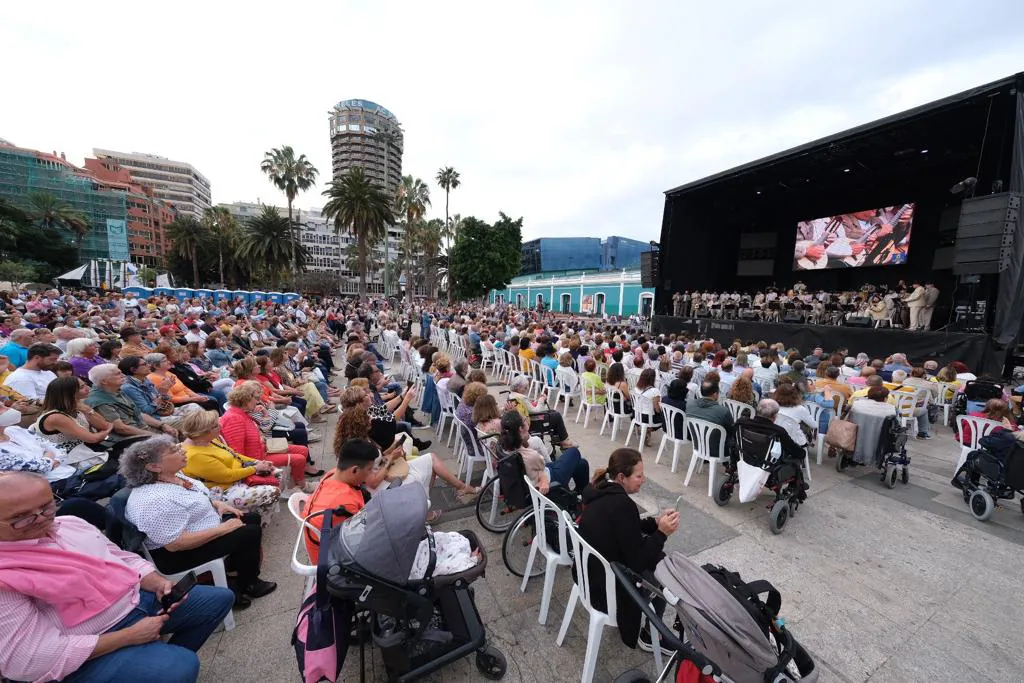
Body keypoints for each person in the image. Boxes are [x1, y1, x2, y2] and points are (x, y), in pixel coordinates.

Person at [0, 470, 234, 683]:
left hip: (134, 603)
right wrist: (129, 637)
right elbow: (27, 659)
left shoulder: (69, 524)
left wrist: (157, 582)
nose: (41, 519)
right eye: (22, 518)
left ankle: (153, 664)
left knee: (219, 601)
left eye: (47, 507)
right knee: (181, 667)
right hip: (89, 643)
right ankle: (158, 665)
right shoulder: (5, 576)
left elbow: (121, 557)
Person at [119, 437, 276, 609]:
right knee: (249, 533)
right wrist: (223, 529)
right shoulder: (154, 501)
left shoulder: (171, 476)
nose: (183, 451)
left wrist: (217, 504)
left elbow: (195, 496)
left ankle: (235, 572)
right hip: (178, 554)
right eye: (174, 451)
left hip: (196, 531)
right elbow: (175, 544)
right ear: (154, 466)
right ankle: (249, 583)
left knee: (251, 519)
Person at [576, 448, 679, 651]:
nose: (643, 480)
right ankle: (651, 636)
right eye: (639, 476)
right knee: (663, 567)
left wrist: (655, 523)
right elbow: (639, 561)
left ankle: (652, 632)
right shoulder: (622, 504)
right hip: (607, 591)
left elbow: (625, 526)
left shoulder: (599, 491)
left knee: (658, 558)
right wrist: (662, 533)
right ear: (622, 477)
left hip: (588, 576)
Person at [177, 409, 282, 522]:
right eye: (216, 426)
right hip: (222, 490)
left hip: (235, 476)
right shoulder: (195, 455)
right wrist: (255, 468)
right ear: (203, 432)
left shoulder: (207, 440)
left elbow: (233, 455)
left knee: (276, 473)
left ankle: (253, 517)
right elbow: (227, 476)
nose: (220, 425)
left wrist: (257, 462)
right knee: (273, 492)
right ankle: (255, 523)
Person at [219, 382, 315, 494]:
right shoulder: (233, 419)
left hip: (263, 449)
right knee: (299, 459)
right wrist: (258, 464)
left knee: (303, 450)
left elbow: (263, 428)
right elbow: (237, 453)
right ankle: (300, 486)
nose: (257, 401)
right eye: (255, 398)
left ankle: (294, 484)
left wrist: (261, 433)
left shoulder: (243, 413)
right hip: (258, 458)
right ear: (245, 399)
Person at [304, 438, 381, 564]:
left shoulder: (332, 474)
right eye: (370, 469)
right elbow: (362, 540)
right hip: (331, 564)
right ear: (355, 470)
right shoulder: (345, 504)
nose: (372, 473)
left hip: (321, 544)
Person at [498, 410, 589, 492]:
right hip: (552, 480)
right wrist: (544, 478)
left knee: (582, 464)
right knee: (573, 451)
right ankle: (583, 498)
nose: (527, 422)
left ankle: (580, 497)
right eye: (525, 420)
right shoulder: (530, 455)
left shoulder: (504, 448)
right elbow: (543, 468)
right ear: (521, 429)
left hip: (532, 479)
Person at [35, 375, 114, 453]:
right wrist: (106, 432)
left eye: (85, 384)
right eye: (82, 387)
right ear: (68, 394)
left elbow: (104, 425)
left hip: (86, 451)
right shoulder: (55, 417)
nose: (88, 388)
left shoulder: (79, 407)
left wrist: (87, 410)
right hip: (67, 457)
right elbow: (92, 438)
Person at [735, 398, 807, 461]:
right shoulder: (778, 431)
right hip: (767, 464)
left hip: (746, 458)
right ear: (775, 416)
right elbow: (796, 451)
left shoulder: (742, 422)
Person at [686, 380, 735, 454]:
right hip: (717, 450)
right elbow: (732, 430)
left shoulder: (689, 404)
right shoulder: (723, 411)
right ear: (715, 394)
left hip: (696, 443)